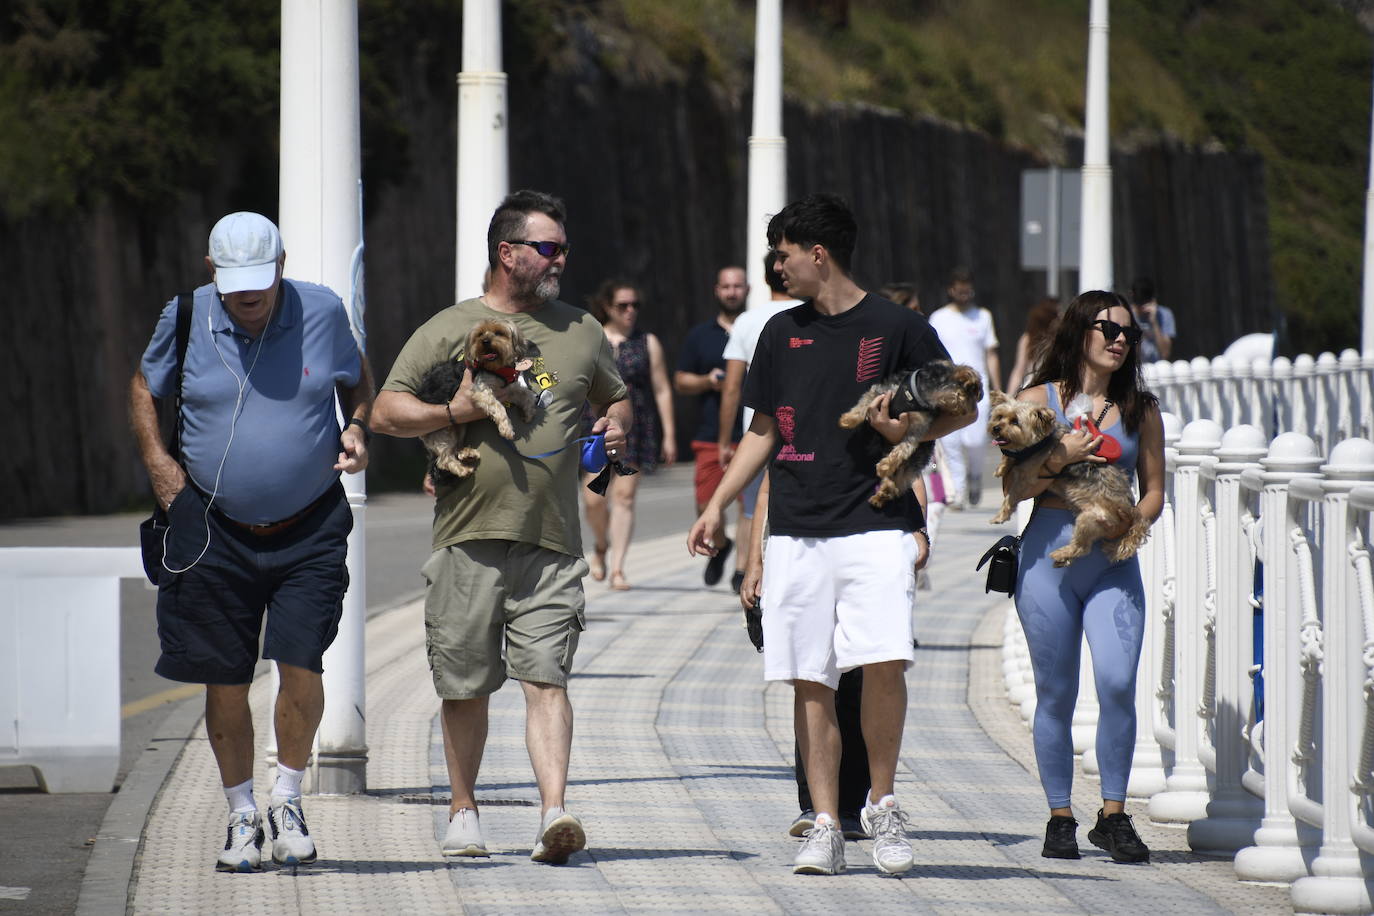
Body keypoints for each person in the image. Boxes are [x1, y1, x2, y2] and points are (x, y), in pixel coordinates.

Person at [688, 193, 974, 877]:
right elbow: (763, 433)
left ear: (818, 254)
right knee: (809, 676)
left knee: (883, 662)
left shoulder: (898, 326)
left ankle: (882, 804)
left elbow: (963, 407)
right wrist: (719, 508)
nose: (776, 266)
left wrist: (904, 429)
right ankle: (824, 823)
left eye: (783, 254)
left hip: (877, 522)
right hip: (796, 530)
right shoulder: (780, 334)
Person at [372, 190, 630, 864]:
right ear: (506, 252)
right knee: (465, 686)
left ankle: (554, 813)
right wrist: (452, 410)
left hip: (551, 541)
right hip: (466, 537)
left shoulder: (581, 330)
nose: (560, 259)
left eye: (562, 248)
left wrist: (613, 428)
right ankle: (464, 812)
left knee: (547, 679)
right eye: (548, 248)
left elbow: (614, 399)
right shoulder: (449, 326)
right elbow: (386, 412)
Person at [128, 211, 373, 872]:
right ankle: (241, 814)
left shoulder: (321, 312)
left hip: (309, 526)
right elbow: (145, 389)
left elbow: (357, 380)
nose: (249, 296)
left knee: (301, 662)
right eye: (235, 284)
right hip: (213, 529)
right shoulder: (184, 316)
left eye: (260, 282)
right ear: (214, 274)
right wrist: (159, 464)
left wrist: (357, 428)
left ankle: (287, 799)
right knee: (224, 677)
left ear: (282, 265)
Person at [1007, 289, 1164, 863]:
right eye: (1108, 328)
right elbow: (1015, 485)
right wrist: (1059, 456)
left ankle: (1114, 815)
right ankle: (1059, 816)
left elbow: (1155, 492)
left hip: (1113, 561)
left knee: (1118, 683)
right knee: (1056, 691)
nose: (1120, 339)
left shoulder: (1141, 409)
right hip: (1047, 558)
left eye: (1129, 333)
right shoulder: (1034, 399)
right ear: (1080, 331)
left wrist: (1129, 526)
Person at [582, 278, 676, 590]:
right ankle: (600, 545)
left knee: (624, 497)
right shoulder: (591, 339)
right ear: (607, 306)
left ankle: (618, 569)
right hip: (593, 427)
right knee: (594, 499)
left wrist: (669, 434)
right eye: (623, 305)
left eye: (635, 305)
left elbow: (662, 389)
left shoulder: (647, 342)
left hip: (635, 427)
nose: (630, 311)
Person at [717, 251, 800, 592]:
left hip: (759, 426)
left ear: (764, 280)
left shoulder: (748, 321)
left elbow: (732, 387)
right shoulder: (808, 315)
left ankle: (747, 568)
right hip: (802, 426)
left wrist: (725, 441)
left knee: (753, 503)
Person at [674, 265, 748, 587]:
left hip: (751, 433)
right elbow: (680, 380)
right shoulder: (700, 336)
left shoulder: (757, 328)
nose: (732, 292)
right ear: (717, 291)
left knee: (750, 507)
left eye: (737, 286)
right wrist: (706, 380)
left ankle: (742, 569)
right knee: (706, 505)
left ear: (747, 289)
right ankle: (721, 544)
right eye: (726, 287)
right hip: (708, 435)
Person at [927, 267, 1001, 508]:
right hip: (947, 388)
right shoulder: (939, 318)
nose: (964, 295)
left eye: (968, 291)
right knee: (950, 442)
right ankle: (956, 492)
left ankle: (976, 476)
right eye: (959, 291)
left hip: (977, 388)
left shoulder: (983, 316)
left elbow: (991, 353)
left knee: (976, 440)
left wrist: (996, 386)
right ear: (951, 290)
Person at [1005, 297, 1060, 393]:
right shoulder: (1029, 339)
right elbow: (1019, 370)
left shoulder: (1028, 338)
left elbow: (1018, 370)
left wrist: (1009, 395)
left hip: (1038, 386)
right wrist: (1009, 395)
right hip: (1039, 386)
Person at [1129, 276, 1175, 363]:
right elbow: (1131, 355)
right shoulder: (1127, 314)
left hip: (1158, 367)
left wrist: (1154, 322)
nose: (1141, 307)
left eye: (1144, 302)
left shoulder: (1164, 314)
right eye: (1138, 303)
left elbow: (1165, 354)